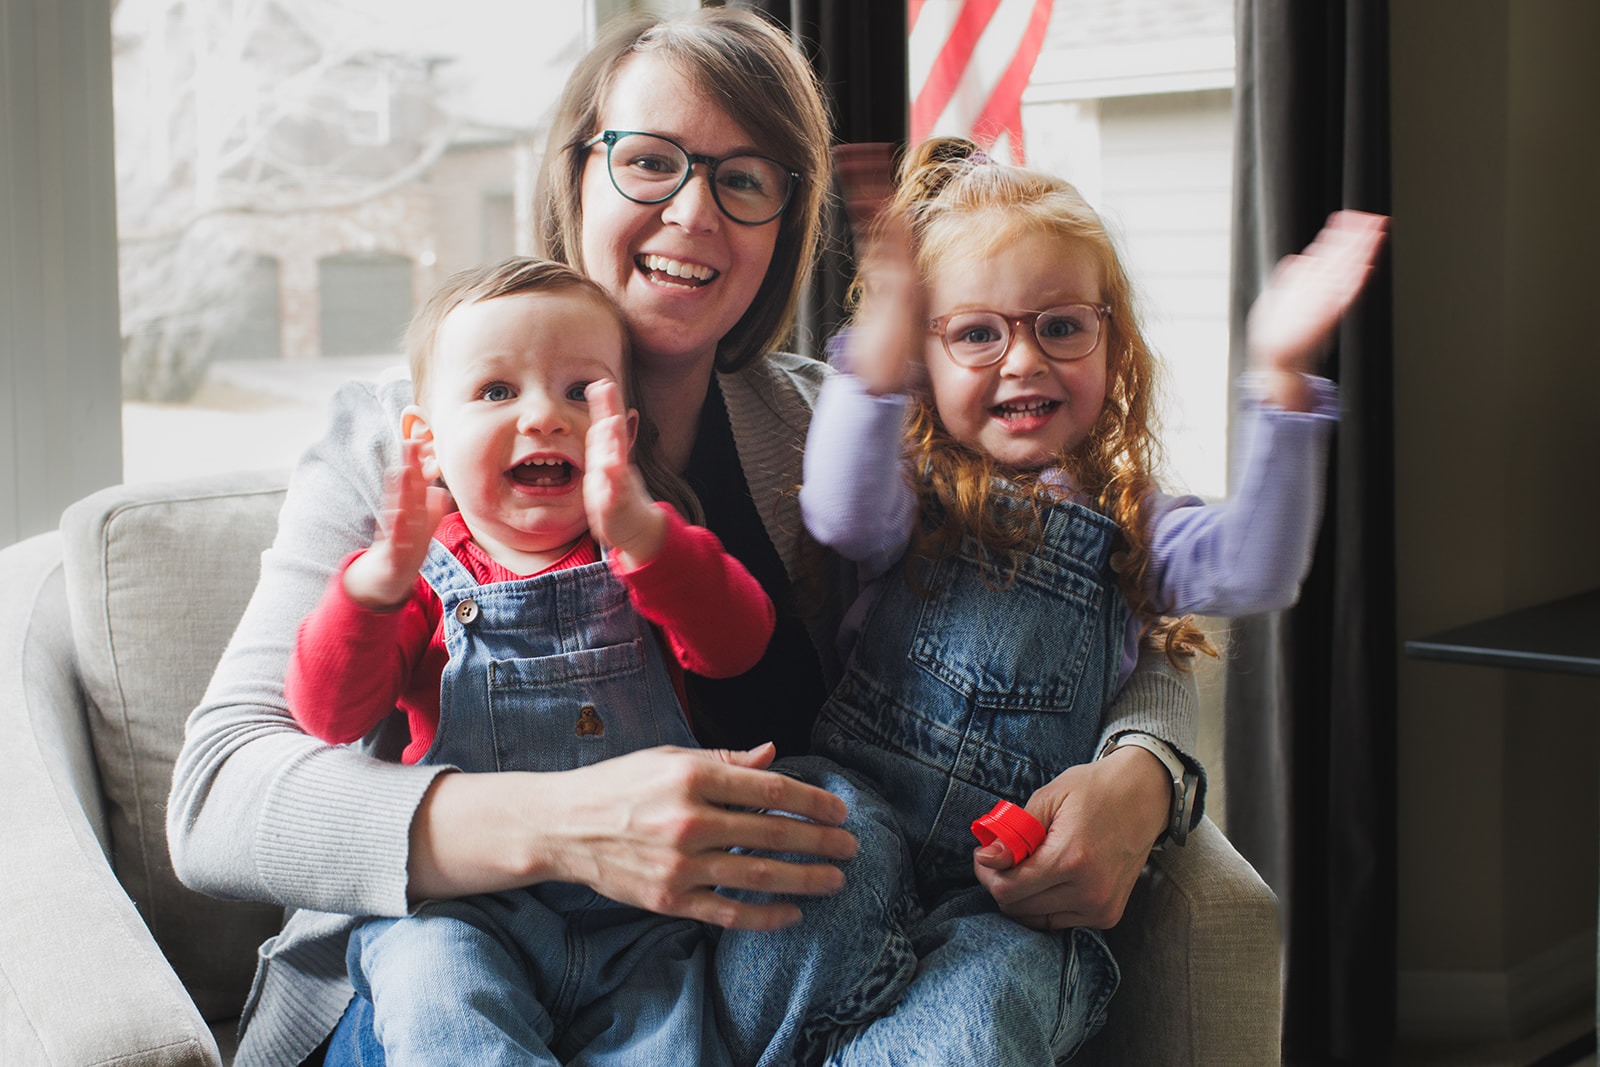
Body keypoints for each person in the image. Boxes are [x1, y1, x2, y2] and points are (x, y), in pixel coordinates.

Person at [165, 10, 1205, 1066]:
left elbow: (1077, 577)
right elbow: (217, 795)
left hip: (709, 991)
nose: (694, 211)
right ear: (576, 177)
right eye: (650, 162)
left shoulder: (827, 432)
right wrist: (565, 822)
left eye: (744, 178)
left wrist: (1149, 772)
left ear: (783, 226)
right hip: (436, 975)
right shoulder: (399, 441)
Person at [715, 138, 1386, 1064]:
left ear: (1112, 345)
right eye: (977, 333)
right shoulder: (910, 497)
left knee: (983, 1015)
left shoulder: (1137, 521)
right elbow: (834, 507)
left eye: (1060, 327)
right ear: (925, 361)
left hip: (1012, 896)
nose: (1023, 359)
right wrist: (878, 356)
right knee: (801, 874)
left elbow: (1257, 567)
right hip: (861, 818)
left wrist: (1279, 372)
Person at [283, 257, 775, 1064]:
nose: (545, 416)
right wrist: (372, 586)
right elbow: (328, 715)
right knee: (432, 988)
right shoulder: (420, 573)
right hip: (464, 911)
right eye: (497, 391)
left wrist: (647, 534)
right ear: (427, 442)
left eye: (582, 391)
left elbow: (738, 644)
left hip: (642, 923)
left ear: (629, 432)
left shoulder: (648, 550)